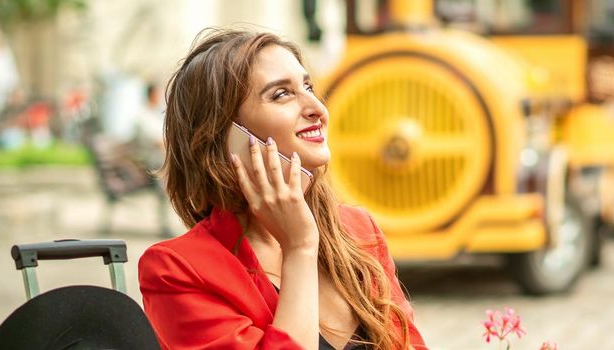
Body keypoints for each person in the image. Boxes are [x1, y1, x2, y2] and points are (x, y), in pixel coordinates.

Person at [138, 28, 427, 350]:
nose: (317, 108)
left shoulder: (357, 230)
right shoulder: (177, 269)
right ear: (224, 135)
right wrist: (300, 248)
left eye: (308, 87)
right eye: (281, 94)